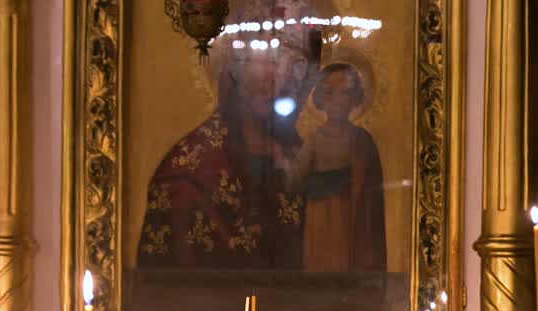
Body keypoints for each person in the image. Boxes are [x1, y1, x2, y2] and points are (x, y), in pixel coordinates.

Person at [136, 1, 320, 270]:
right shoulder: (187, 176)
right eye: (266, 57)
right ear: (234, 67)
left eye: (297, 63)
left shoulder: (308, 163)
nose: (279, 78)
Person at [287, 62, 386, 272]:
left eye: (345, 93)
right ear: (320, 99)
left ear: (355, 97)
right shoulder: (315, 139)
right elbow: (294, 180)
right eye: (330, 93)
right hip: (320, 219)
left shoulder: (362, 140)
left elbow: (372, 195)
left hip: (352, 221)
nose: (338, 100)